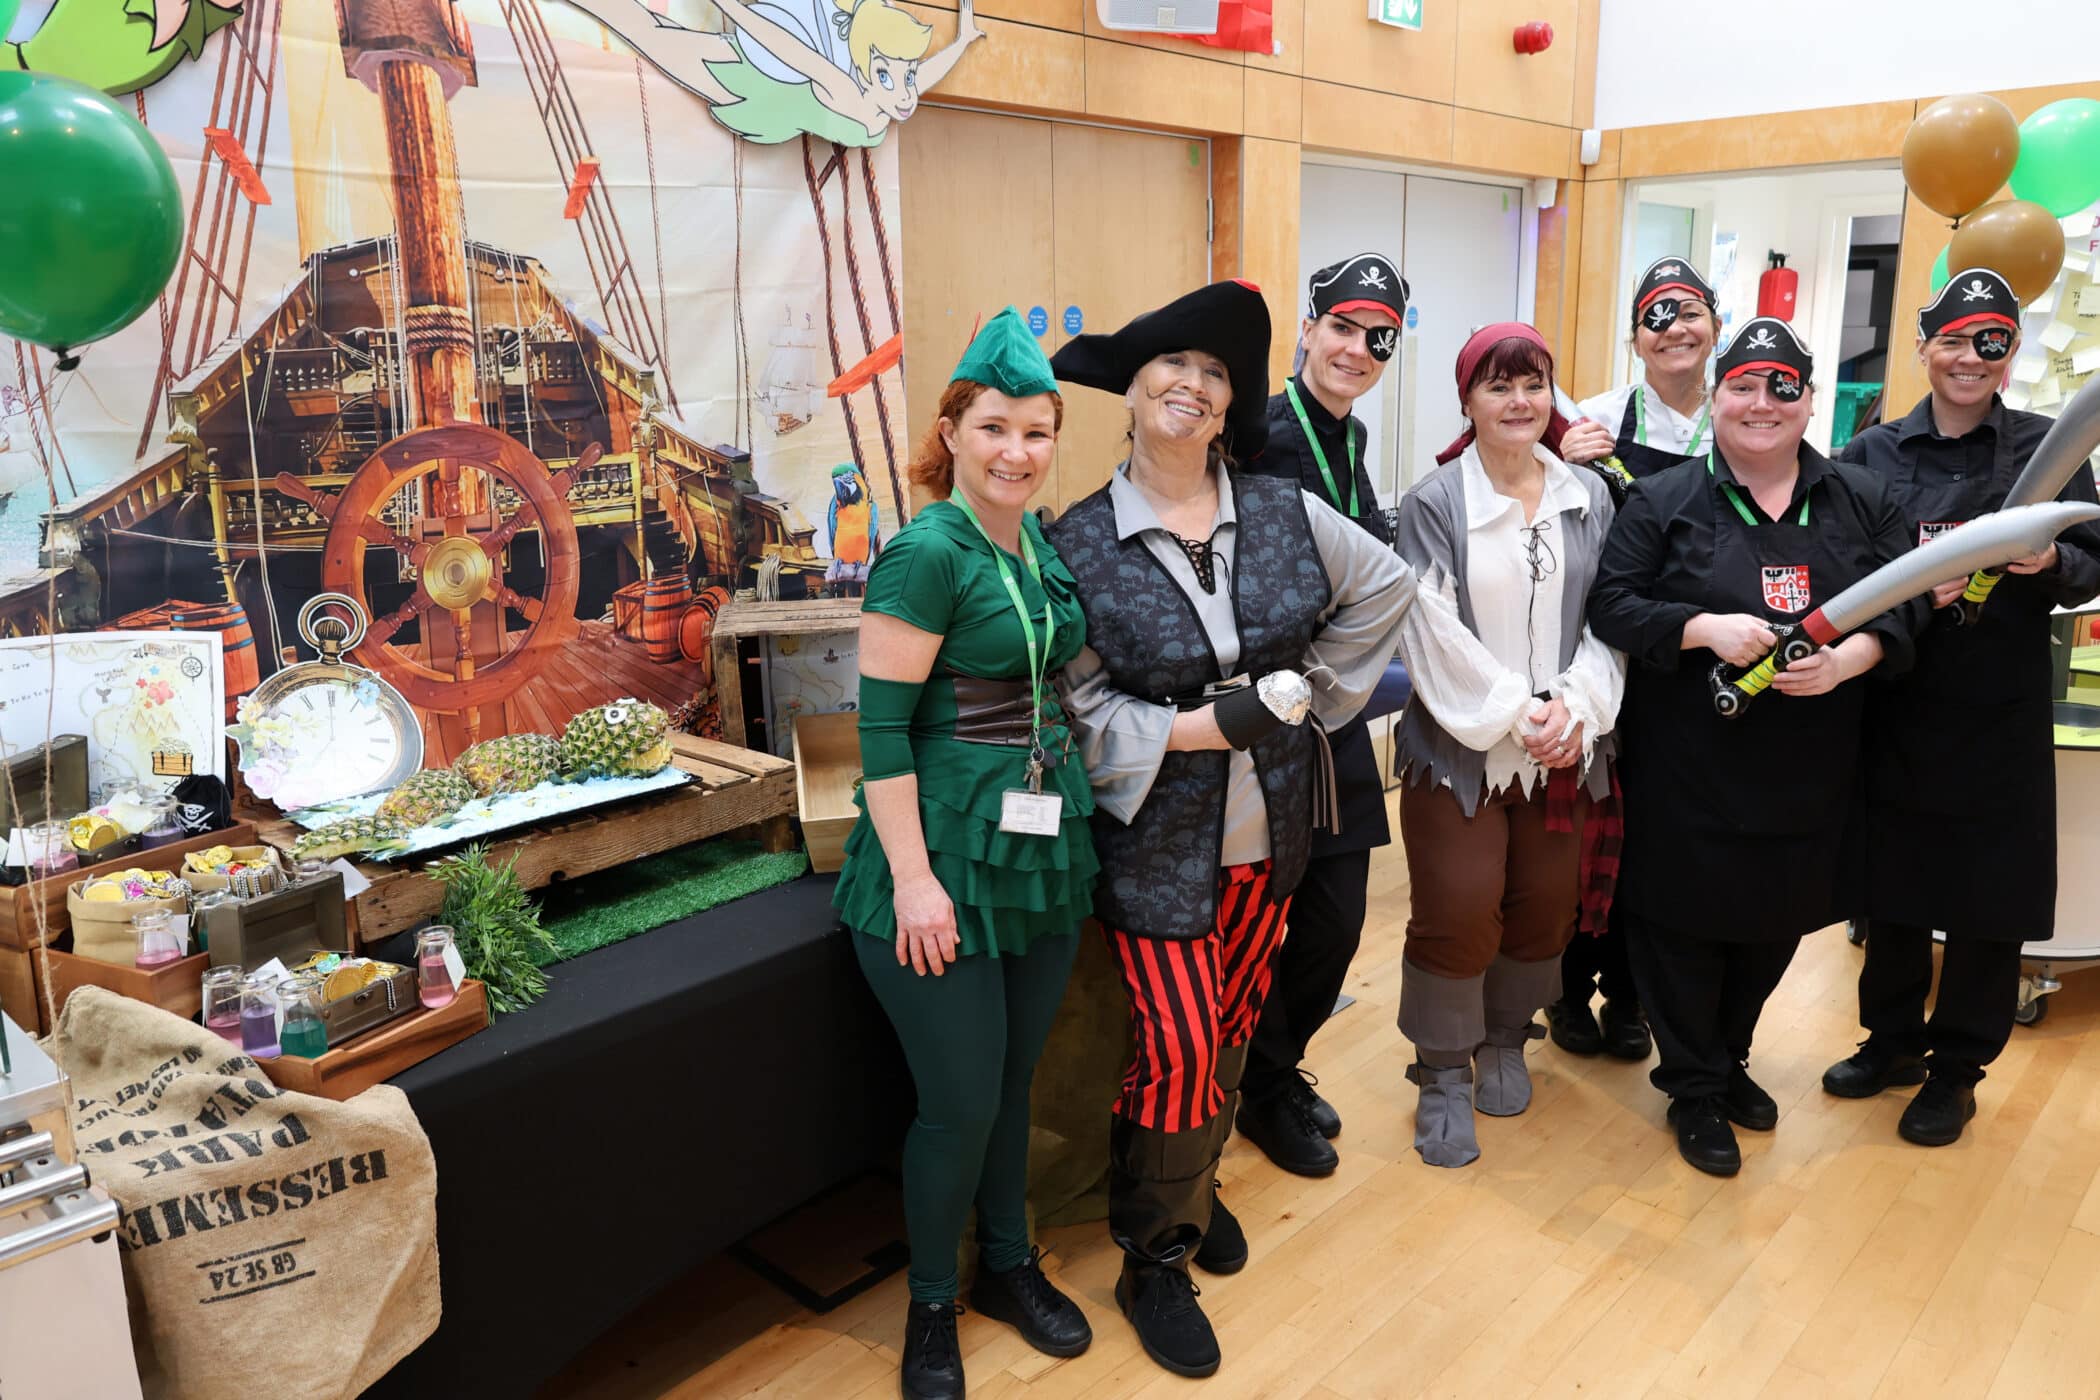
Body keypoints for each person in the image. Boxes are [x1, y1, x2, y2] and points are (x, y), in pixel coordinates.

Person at [1046, 280, 1414, 1378]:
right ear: (1134, 387)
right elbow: (1082, 704)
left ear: (1227, 404)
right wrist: (1210, 725)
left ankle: (1190, 1192)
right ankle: (1153, 1250)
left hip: (1274, 834)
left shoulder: (1285, 510)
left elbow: (1386, 583)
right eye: (1174, 364)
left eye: (1215, 373)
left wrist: (1315, 695)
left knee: (1239, 1017)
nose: (1194, 384)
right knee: (1178, 1045)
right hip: (1157, 851)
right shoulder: (1080, 543)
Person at [1587, 316, 1926, 1178]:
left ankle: (1728, 1056)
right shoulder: (1663, 502)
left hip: (1809, 769)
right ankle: (1693, 1087)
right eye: (1744, 385)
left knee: (1774, 923)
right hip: (1687, 768)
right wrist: (1701, 627)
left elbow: (1909, 601)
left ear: (1810, 402)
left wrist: (1853, 658)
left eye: (1784, 387)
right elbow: (1613, 607)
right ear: (1716, 396)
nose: (1763, 403)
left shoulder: (1860, 498)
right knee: (1682, 928)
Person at [831, 309, 1098, 1400]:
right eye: (994, 428)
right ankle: (932, 1302)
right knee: (959, 1100)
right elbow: (880, 730)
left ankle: (1008, 1264)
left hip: (1034, 846)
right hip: (936, 852)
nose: (1016, 453)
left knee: (1013, 1078)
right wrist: (913, 879)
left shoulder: (1033, 539)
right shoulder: (925, 549)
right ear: (952, 428)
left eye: (1037, 433)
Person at [1823, 268, 2100, 1145]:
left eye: (1992, 342)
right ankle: (1893, 1042)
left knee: (1988, 902)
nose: (1970, 360)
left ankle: (1955, 1071)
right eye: (1953, 340)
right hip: (1896, 703)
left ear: (2011, 353)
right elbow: (1844, 566)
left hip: (1998, 709)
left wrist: (2049, 565)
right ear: (1924, 347)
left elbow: (2094, 560)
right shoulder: (1870, 453)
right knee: (1891, 889)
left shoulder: (2047, 451)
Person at [1390, 322, 1625, 1169]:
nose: (1519, 401)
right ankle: (1444, 1069)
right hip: (1464, 750)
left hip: (1566, 746)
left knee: (1545, 906)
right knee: (1458, 908)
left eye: (1534, 384)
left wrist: (1576, 708)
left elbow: (1611, 616)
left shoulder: (1588, 496)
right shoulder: (1434, 503)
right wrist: (1517, 713)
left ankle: (1502, 1037)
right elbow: (1429, 628)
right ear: (1468, 402)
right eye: (1498, 386)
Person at [1239, 252, 1408, 1177]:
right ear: (1308, 328)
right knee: (1271, 919)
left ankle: (1272, 1073)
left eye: (1376, 337)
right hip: (1266, 715)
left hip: (1331, 715)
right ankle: (1250, 1085)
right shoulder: (1261, 432)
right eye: (1340, 327)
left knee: (1336, 921)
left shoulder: (1351, 437)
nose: (1355, 348)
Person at [1548, 255, 1725, 1062]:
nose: (1674, 329)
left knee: (1660, 837)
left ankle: (1632, 998)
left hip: (1707, 653)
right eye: (1656, 315)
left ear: (1715, 325)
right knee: (1592, 828)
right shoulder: (1595, 418)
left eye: (1688, 311)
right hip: (1614, 647)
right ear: (1634, 339)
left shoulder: (1748, 409)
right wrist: (1564, 459)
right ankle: (1564, 990)